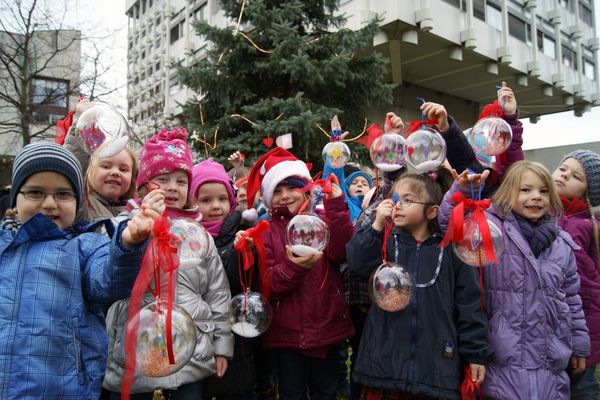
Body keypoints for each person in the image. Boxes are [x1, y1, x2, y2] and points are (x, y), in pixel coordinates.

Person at [0, 142, 156, 399]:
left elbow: (110, 279)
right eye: (36, 192)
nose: (49, 204)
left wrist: (129, 242)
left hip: (64, 389)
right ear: (15, 198)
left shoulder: (85, 246)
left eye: (63, 194)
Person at [439, 161, 590, 399]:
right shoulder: (488, 228)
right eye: (525, 190)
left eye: (543, 191)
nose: (536, 197)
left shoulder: (561, 244)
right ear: (508, 193)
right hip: (502, 358)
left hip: (549, 360)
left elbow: (571, 298)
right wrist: (462, 191)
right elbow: (450, 224)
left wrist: (579, 341)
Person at [103, 127, 234, 399]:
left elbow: (217, 293)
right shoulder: (121, 228)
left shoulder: (199, 235)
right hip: (135, 355)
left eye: (181, 181)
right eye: (162, 179)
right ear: (142, 185)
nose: (173, 187)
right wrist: (134, 237)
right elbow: (107, 280)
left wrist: (222, 345)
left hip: (190, 354)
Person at [346, 168, 490, 399]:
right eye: (395, 199)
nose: (398, 205)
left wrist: (475, 354)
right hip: (384, 363)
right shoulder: (387, 241)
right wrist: (376, 225)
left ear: (432, 211)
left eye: (408, 200)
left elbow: (471, 304)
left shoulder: (452, 249)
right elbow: (356, 262)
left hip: (435, 365)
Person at [238, 147, 355, 400]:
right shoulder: (266, 231)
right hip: (288, 335)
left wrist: (335, 206)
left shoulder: (322, 220)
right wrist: (296, 268)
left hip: (328, 328)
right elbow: (270, 285)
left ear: (305, 189)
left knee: (326, 392)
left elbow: (342, 251)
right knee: (292, 393)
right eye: (276, 191)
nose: (285, 196)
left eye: (291, 187)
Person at [190, 158, 258, 400]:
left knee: (235, 388)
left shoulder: (239, 234)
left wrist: (245, 253)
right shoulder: (186, 238)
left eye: (221, 199)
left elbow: (244, 285)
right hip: (195, 337)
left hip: (235, 339)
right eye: (205, 200)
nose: (215, 206)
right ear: (192, 202)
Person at [551, 150, 600, 399]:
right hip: (550, 320)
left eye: (576, 176)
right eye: (563, 169)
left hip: (585, 323)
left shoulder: (590, 226)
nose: (565, 175)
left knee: (582, 388)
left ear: (587, 191)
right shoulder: (539, 212)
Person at [83, 147, 138, 222]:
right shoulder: (83, 202)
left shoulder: (136, 209)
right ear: (90, 171)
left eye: (123, 169)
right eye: (106, 166)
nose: (115, 172)